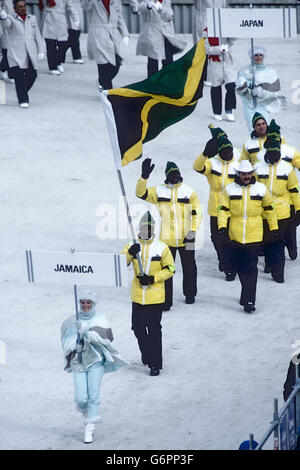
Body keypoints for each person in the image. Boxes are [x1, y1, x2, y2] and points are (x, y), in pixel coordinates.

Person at [61, 289, 128, 443]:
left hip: (95, 361)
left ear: (93, 303)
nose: (85, 305)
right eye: (82, 302)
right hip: (78, 362)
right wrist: (76, 339)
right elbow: (65, 342)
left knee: (93, 395)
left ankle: (89, 428)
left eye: (88, 302)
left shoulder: (101, 318)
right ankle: (87, 413)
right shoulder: (71, 321)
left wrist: (87, 333)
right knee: (80, 398)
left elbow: (107, 339)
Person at [135, 160, 202, 310]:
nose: (175, 176)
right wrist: (143, 178)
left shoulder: (189, 191)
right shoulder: (159, 191)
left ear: (180, 174)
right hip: (167, 238)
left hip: (188, 237)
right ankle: (166, 300)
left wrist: (192, 231)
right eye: (171, 174)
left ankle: (190, 294)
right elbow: (140, 193)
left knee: (190, 267)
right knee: (167, 269)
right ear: (167, 176)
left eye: (176, 173)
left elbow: (197, 213)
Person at [218, 160, 278, 313]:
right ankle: (246, 293)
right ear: (239, 174)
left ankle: (249, 299)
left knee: (251, 269)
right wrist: (222, 227)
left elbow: (270, 210)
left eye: (249, 173)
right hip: (235, 236)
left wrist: (274, 228)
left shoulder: (261, 189)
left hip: (254, 236)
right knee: (238, 268)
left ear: (253, 173)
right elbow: (223, 210)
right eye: (244, 173)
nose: (246, 176)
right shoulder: (229, 189)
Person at [122, 212, 175, 376]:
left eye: (149, 228)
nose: (146, 231)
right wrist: (130, 253)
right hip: (138, 296)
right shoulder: (132, 244)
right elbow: (119, 262)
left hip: (155, 297)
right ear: (140, 228)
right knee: (137, 327)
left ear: (153, 229)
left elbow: (170, 269)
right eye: (144, 228)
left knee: (153, 329)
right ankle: (147, 353)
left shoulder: (161, 247)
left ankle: (155, 364)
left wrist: (153, 279)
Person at [193, 125, 240, 280]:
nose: (228, 154)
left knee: (231, 238)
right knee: (216, 238)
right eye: (225, 151)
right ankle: (223, 259)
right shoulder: (212, 163)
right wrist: (204, 154)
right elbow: (197, 167)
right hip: (215, 208)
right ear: (219, 152)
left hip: (233, 209)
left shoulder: (239, 163)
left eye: (230, 151)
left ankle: (230, 267)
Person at [255, 124, 300, 283]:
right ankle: (269, 263)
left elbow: (294, 190)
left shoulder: (287, 169)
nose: (275, 155)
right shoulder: (258, 168)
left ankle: (278, 271)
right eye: (272, 153)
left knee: (278, 243)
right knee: (267, 240)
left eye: (277, 153)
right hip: (264, 212)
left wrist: (299, 209)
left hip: (282, 212)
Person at [0, 0, 45, 107]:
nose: (23, 8)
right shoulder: (11, 19)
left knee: (32, 75)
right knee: (19, 77)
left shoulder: (32, 18)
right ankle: (23, 100)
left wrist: (41, 50)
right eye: (20, 7)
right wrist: (3, 17)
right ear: (15, 9)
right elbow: (7, 25)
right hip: (16, 53)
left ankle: (22, 91)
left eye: (24, 6)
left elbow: (37, 36)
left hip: (30, 52)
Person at [236, 45, 287, 132]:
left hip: (263, 105)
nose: (258, 57)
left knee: (263, 130)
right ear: (251, 57)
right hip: (249, 105)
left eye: (261, 55)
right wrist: (248, 88)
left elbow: (276, 90)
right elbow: (239, 89)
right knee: (253, 130)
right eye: (256, 55)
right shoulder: (244, 71)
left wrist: (261, 92)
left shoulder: (270, 72)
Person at [81, 0, 129, 89]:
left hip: (113, 36)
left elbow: (120, 17)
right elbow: (84, 6)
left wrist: (125, 34)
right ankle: (107, 93)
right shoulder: (94, 2)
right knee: (103, 65)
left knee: (116, 65)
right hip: (98, 35)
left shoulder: (115, 1)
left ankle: (102, 83)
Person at [136, 0, 186, 78]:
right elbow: (140, 8)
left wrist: (161, 9)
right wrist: (148, 6)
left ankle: (165, 81)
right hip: (152, 32)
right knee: (153, 61)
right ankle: (151, 83)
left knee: (168, 60)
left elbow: (169, 16)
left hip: (166, 33)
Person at [39, 0, 79, 75]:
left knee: (63, 44)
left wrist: (75, 18)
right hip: (49, 19)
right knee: (50, 45)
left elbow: (70, 7)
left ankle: (58, 61)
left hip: (61, 20)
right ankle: (52, 67)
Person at [64, 0, 84, 64]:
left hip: (78, 7)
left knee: (76, 33)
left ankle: (60, 54)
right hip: (71, 7)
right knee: (73, 34)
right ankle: (76, 57)